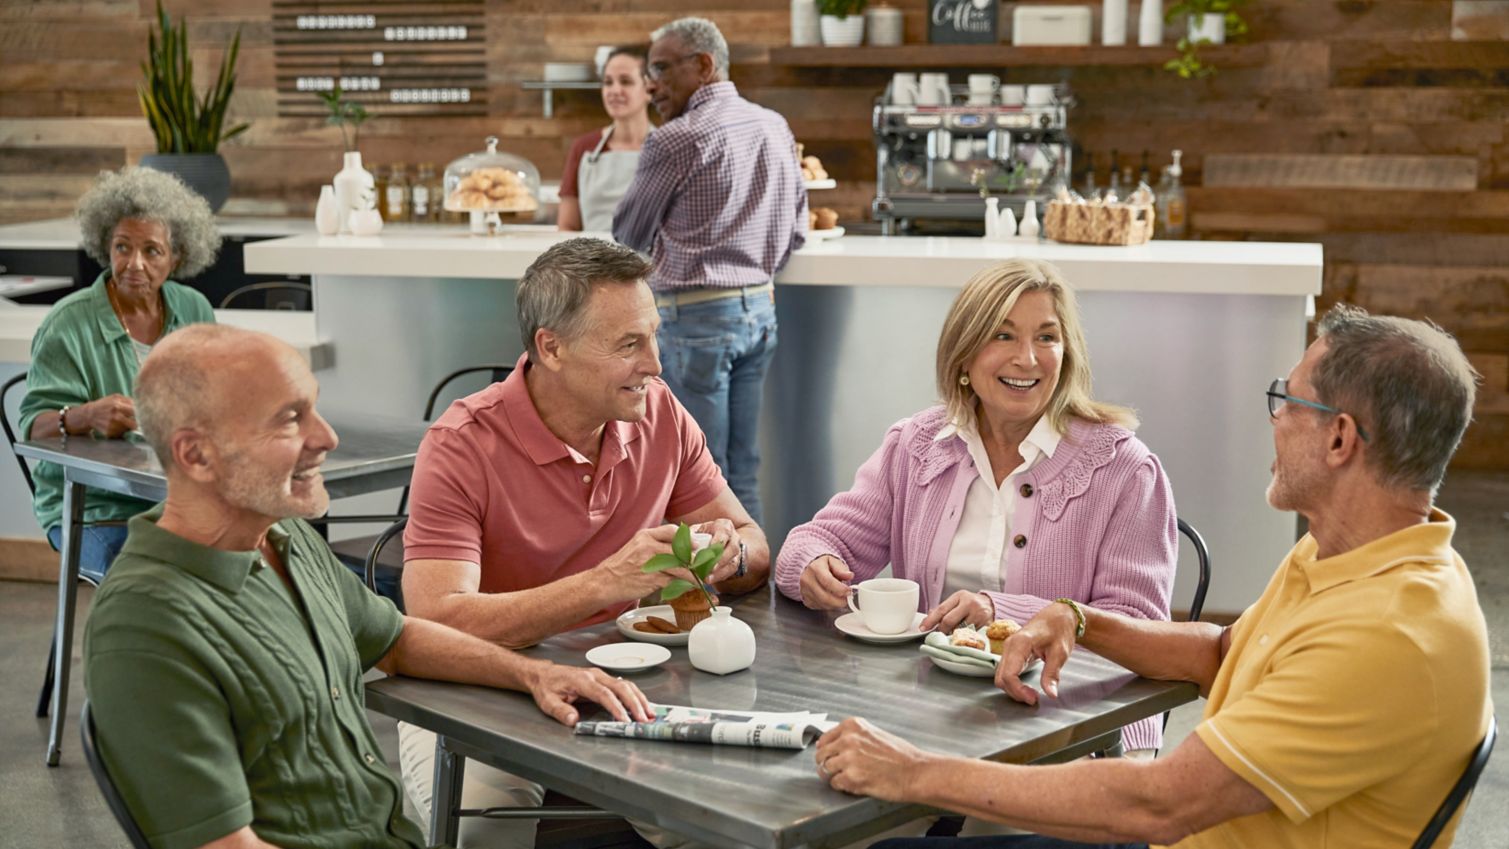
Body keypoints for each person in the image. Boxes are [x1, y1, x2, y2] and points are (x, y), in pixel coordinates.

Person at [816, 305, 1492, 849]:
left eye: (1286, 400)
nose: (1275, 418)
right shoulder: (1356, 553)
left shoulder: (1388, 633)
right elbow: (1225, 654)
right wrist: (1078, 619)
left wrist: (915, 772)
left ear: (1339, 439)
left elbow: (1158, 802)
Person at [82, 324, 651, 849]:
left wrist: (535, 673)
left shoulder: (284, 540)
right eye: (288, 419)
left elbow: (397, 639)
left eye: (315, 411)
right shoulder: (145, 625)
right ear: (196, 455)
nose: (325, 437)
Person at [399, 236, 769, 847]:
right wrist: (607, 582)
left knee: (724, 825)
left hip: (638, 676)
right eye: (629, 344)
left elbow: (756, 545)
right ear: (552, 348)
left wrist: (727, 556)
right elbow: (436, 619)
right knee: (482, 836)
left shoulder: (661, 413)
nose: (656, 363)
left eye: (653, 335)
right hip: (486, 681)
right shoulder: (461, 443)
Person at [777, 259, 1176, 769]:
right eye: (1002, 336)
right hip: (937, 713)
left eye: (1047, 337)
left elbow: (1137, 630)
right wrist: (813, 565)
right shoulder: (917, 445)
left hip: (1081, 731)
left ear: (1067, 353)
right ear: (964, 355)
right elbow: (815, 540)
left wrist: (1003, 614)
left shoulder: (1124, 468)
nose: (1027, 358)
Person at [612, 16, 806, 524]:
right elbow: (797, 231)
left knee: (700, 476)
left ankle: (704, 602)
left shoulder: (674, 140)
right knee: (740, 468)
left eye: (660, 68)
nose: (651, 83)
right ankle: (745, 591)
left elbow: (626, 237)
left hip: (695, 320)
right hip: (760, 311)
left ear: (703, 65)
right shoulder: (774, 125)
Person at [20, 166, 218, 580]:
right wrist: (84, 416)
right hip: (92, 509)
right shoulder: (69, 323)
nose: (134, 264)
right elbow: (33, 428)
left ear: (177, 256)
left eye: (152, 251)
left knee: (258, 556)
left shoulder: (194, 309)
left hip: (177, 498)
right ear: (105, 247)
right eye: (122, 247)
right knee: (160, 578)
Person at [558, 45, 653, 233]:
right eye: (608, 82)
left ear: (649, 90)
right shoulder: (584, 148)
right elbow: (567, 226)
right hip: (592, 261)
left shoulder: (667, 148)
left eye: (626, 81)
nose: (615, 90)